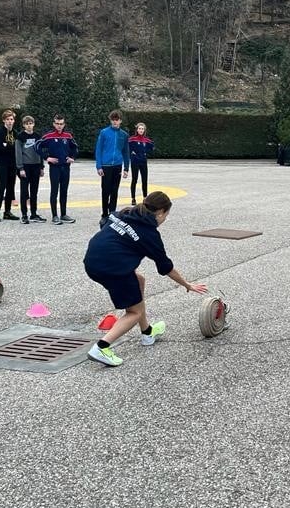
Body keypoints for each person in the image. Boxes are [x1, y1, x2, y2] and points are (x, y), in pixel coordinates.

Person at [83, 191, 207, 366]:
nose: (165, 219)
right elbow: (166, 267)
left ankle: (147, 332)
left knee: (139, 280)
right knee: (134, 313)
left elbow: (104, 224)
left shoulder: (125, 213)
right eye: (166, 215)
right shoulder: (149, 234)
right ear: (161, 212)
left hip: (92, 261)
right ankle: (101, 348)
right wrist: (187, 284)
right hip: (113, 270)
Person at [37, 114, 78, 225]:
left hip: (66, 167)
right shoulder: (48, 136)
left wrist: (72, 158)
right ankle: (54, 216)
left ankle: (63, 214)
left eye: (61, 124)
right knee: (54, 191)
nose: (59, 126)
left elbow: (75, 147)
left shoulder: (68, 136)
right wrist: (47, 157)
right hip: (54, 168)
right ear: (54, 124)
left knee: (64, 191)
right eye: (57, 124)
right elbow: (37, 146)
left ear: (64, 124)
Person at [95, 109, 129, 228]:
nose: (115, 122)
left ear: (120, 121)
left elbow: (126, 152)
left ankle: (112, 213)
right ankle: (104, 214)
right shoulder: (104, 132)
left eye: (117, 120)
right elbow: (99, 149)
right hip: (106, 165)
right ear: (110, 120)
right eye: (113, 120)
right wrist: (99, 166)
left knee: (114, 191)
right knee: (105, 190)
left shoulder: (124, 135)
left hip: (117, 165)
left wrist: (126, 168)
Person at [15, 115, 46, 224]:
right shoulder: (20, 137)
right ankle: (24, 214)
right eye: (27, 124)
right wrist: (20, 168)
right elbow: (18, 153)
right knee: (24, 191)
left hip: (36, 166)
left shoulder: (37, 136)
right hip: (25, 166)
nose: (29, 125)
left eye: (31, 123)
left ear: (33, 124)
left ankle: (34, 213)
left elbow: (41, 152)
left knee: (34, 191)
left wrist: (42, 167)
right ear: (24, 125)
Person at [0, 109, 19, 222]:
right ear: (4, 120)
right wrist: (9, 147)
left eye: (11, 119)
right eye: (7, 119)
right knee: (1, 187)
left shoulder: (15, 133)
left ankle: (7, 211)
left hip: (12, 163)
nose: (9, 121)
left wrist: (6, 145)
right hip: (2, 163)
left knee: (10, 188)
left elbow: (16, 148)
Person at [128, 122, 154, 205]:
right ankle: (133, 198)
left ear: (144, 130)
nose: (141, 130)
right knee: (134, 179)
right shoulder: (132, 139)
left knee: (144, 180)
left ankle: (145, 198)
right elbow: (127, 148)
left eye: (142, 129)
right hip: (135, 162)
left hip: (143, 161)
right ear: (137, 129)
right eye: (139, 128)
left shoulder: (147, 140)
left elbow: (152, 147)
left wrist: (145, 152)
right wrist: (132, 153)